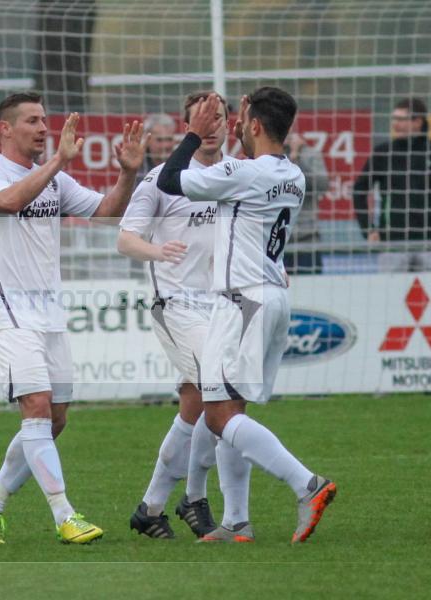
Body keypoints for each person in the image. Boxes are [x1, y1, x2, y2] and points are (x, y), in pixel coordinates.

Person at [157, 88, 337, 544]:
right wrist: (243, 131)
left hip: (241, 300)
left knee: (217, 416)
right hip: (273, 296)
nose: (236, 124)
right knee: (232, 410)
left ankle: (307, 484)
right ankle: (237, 521)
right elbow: (249, 170)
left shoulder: (242, 172)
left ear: (254, 125)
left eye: (242, 119)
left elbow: (171, 180)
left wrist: (195, 134)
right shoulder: (292, 174)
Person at [0, 91, 146, 544]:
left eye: (45, 120)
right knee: (37, 406)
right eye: (32, 121)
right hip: (7, 310)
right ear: (5, 129)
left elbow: (107, 213)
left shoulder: (53, 178)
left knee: (56, 418)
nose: (44, 128)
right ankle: (65, 515)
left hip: (49, 312)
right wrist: (58, 163)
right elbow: (6, 202)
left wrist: (127, 174)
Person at [118, 91, 251, 540]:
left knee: (198, 404)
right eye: (202, 118)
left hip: (226, 305)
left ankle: (151, 507)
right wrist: (158, 250)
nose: (211, 125)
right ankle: (194, 498)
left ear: (232, 123)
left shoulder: (239, 175)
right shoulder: (162, 178)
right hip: (177, 305)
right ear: (187, 125)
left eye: (219, 117)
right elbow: (125, 240)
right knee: (222, 397)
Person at [352, 98, 431, 272]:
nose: (395, 124)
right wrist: (369, 229)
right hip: (392, 241)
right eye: (393, 119)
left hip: (430, 240)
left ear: (417, 122)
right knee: (390, 296)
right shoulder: (383, 153)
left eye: (401, 119)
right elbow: (359, 190)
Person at [284, 131, 329, 274]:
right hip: (275, 244)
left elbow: (322, 185)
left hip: (307, 242)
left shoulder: (310, 154)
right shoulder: (267, 156)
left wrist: (296, 158)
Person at [137, 113, 176, 184]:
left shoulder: (183, 164)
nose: (166, 145)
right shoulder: (137, 168)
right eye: (159, 140)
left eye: (169, 139)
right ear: (147, 140)